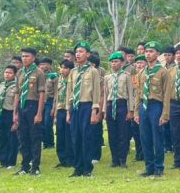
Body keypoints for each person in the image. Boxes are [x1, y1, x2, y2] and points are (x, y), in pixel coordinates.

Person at [134, 41, 172, 178]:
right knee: (145, 137)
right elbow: (138, 93)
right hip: (144, 106)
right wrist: (136, 112)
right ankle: (149, 167)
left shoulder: (163, 72)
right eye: (146, 51)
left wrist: (165, 114)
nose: (148, 54)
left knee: (157, 138)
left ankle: (159, 167)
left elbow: (167, 95)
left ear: (157, 54)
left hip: (156, 105)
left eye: (151, 51)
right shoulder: (142, 73)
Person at [66, 41, 101, 177]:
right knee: (75, 137)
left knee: (86, 137)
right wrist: (69, 111)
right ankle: (78, 167)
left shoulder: (93, 71)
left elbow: (96, 92)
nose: (78, 54)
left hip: (87, 106)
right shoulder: (73, 72)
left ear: (88, 54)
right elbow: (70, 92)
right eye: (77, 52)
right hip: (75, 107)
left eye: (81, 51)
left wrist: (94, 111)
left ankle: (87, 168)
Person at [13, 48, 47, 176]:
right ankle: (24, 166)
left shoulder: (39, 73)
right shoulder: (20, 73)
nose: (24, 58)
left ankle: (35, 166)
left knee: (34, 137)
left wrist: (39, 113)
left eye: (27, 56)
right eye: (22, 56)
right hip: (22, 105)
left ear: (33, 58)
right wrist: (15, 112)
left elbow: (42, 94)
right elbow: (17, 93)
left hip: (33, 106)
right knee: (23, 137)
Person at [103, 52, 134, 168]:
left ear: (122, 63)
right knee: (112, 134)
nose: (114, 64)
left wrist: (130, 110)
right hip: (111, 105)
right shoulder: (107, 77)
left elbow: (131, 94)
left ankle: (122, 159)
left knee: (123, 133)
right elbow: (106, 94)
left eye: (116, 62)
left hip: (122, 105)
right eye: (112, 62)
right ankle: (114, 159)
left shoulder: (126, 76)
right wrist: (104, 111)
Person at [0, 65, 19, 169]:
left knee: (12, 138)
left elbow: (17, 103)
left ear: (14, 74)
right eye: (5, 72)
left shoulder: (17, 86)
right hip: (1, 113)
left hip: (10, 113)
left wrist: (16, 119)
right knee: (1, 138)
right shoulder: (2, 86)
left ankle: (11, 162)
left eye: (9, 73)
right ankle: (3, 162)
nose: (7, 74)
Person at [53, 60, 76, 168]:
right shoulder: (60, 80)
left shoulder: (73, 79)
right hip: (60, 109)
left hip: (69, 109)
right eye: (61, 67)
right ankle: (62, 159)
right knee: (60, 135)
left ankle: (70, 159)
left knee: (69, 135)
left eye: (65, 68)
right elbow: (57, 96)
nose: (63, 70)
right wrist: (55, 111)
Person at [39, 58, 58, 149]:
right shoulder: (38, 76)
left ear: (50, 65)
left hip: (50, 101)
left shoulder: (53, 76)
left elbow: (56, 93)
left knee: (47, 122)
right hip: (40, 102)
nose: (43, 66)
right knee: (41, 123)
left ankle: (50, 143)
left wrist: (54, 107)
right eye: (41, 64)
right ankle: (44, 142)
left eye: (45, 64)